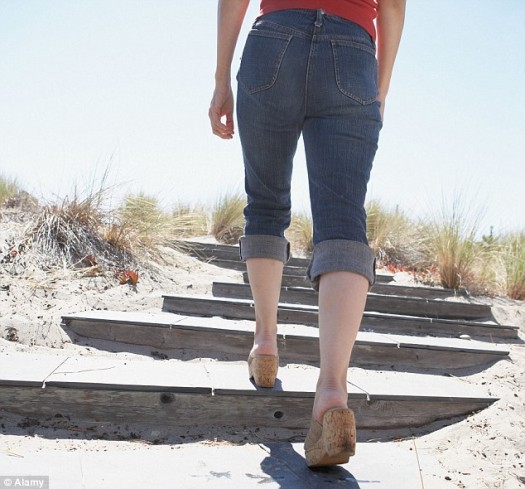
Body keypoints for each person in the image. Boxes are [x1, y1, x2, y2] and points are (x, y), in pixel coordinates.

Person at [209, 0, 406, 468]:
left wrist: (220, 79)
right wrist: (379, 91)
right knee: (343, 221)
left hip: (273, 41)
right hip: (353, 49)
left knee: (266, 202)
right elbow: (394, 4)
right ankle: (333, 395)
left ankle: (265, 343)